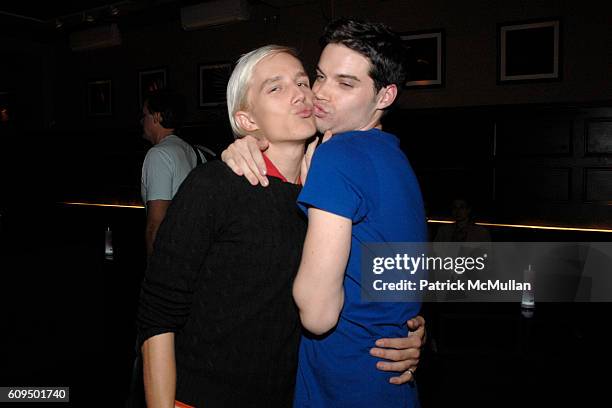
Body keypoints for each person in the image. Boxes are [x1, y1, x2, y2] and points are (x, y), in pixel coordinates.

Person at [137, 45, 423, 408]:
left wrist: (408, 327)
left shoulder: (328, 198)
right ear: (247, 120)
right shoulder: (215, 185)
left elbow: (375, 276)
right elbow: (159, 311)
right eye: (276, 87)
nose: (302, 94)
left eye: (304, 82)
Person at [222, 19, 428, 394]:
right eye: (319, 77)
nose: (320, 93)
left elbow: (317, 316)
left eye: (345, 83)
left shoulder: (337, 157)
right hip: (386, 382)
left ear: (385, 97)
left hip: (342, 382)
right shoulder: (396, 161)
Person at [140, 89, 208, 256]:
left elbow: (156, 225)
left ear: (157, 117)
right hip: (197, 252)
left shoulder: (159, 155)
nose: (141, 121)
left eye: (144, 115)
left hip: (173, 257)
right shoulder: (195, 151)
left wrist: (155, 274)